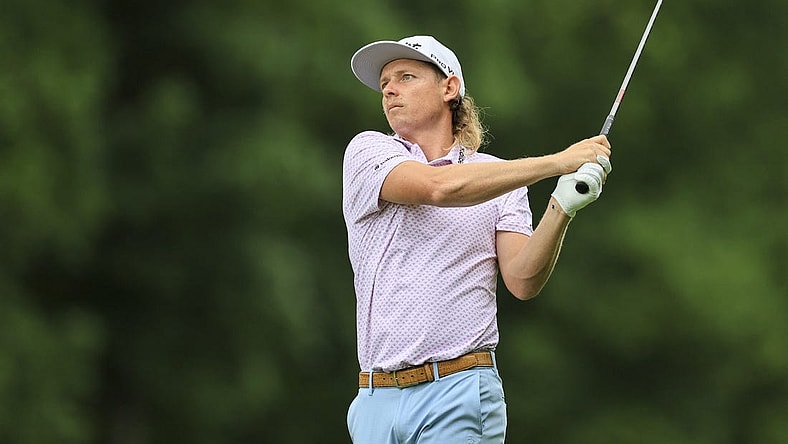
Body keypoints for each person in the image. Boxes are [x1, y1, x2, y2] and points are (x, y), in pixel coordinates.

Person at [343, 35, 612, 444]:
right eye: (385, 83)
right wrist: (557, 161)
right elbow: (438, 188)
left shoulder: (497, 177)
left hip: (457, 388)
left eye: (406, 76)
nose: (390, 89)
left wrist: (562, 206)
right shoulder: (368, 152)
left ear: (448, 88)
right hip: (374, 399)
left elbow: (522, 279)